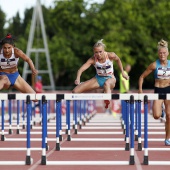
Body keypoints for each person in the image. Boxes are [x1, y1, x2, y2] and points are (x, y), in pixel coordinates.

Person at [72, 39, 129, 108]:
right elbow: (81, 69)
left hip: (110, 78)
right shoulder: (93, 59)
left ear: (104, 50)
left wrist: (122, 72)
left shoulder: (110, 55)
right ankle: (105, 95)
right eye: (96, 52)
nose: (98, 54)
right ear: (94, 52)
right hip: (98, 79)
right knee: (75, 91)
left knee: (106, 84)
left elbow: (118, 60)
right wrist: (78, 78)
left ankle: (107, 100)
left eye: (100, 52)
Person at [138, 39, 170, 146]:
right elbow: (142, 77)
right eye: (160, 53)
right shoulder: (154, 65)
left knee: (169, 116)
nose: (162, 55)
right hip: (159, 90)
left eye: (164, 53)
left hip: (169, 90)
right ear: (158, 54)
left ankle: (167, 138)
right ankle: (161, 112)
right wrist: (140, 90)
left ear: (168, 53)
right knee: (156, 115)